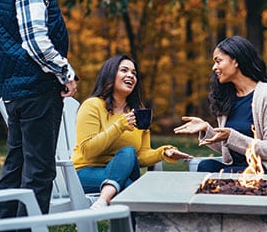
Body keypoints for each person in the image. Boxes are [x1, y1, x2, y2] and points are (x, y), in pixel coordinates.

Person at [0, 0, 78, 220]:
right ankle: (30, 229)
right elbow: (37, 42)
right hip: (37, 91)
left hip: (14, 89)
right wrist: (66, 73)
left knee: (16, 168)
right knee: (38, 172)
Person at [72, 55, 193, 209]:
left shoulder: (139, 114)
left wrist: (163, 153)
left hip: (121, 172)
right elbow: (88, 151)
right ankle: (110, 204)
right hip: (86, 172)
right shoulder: (93, 105)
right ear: (110, 74)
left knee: (128, 153)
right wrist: (119, 126)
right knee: (131, 187)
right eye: (124, 70)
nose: (130, 75)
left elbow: (141, 156)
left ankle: (103, 200)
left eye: (134, 73)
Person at [174, 36, 267, 175]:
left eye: (218, 61)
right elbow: (230, 147)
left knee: (221, 176)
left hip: (265, 170)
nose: (214, 67)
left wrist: (231, 136)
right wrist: (206, 129)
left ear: (235, 60)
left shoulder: (266, 95)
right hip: (237, 168)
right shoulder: (228, 97)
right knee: (205, 166)